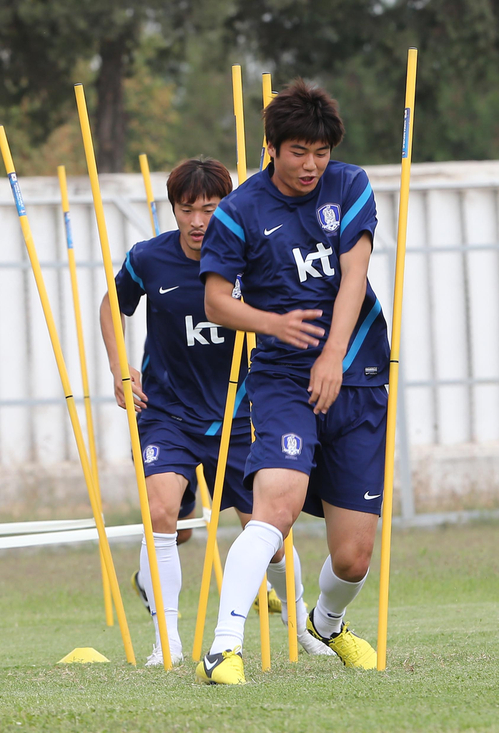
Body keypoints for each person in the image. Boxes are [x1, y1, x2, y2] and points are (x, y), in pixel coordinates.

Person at [100, 156, 330, 666]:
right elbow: (111, 304)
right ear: (174, 210)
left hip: (243, 414)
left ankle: (299, 622)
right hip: (167, 412)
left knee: (268, 532)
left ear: (227, 207)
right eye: (188, 210)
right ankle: (169, 645)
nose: (199, 221)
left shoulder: (249, 256)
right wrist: (121, 369)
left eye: (210, 208)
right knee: (162, 513)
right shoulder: (149, 259)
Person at [196, 80, 390, 685]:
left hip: (355, 373)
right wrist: (271, 322)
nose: (311, 165)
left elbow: (354, 274)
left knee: (354, 558)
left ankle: (324, 624)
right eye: (299, 151)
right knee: (273, 505)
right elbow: (216, 302)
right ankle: (223, 648)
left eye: (321, 152)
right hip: (281, 377)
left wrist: (333, 355)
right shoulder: (240, 211)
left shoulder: (350, 185)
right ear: (272, 147)